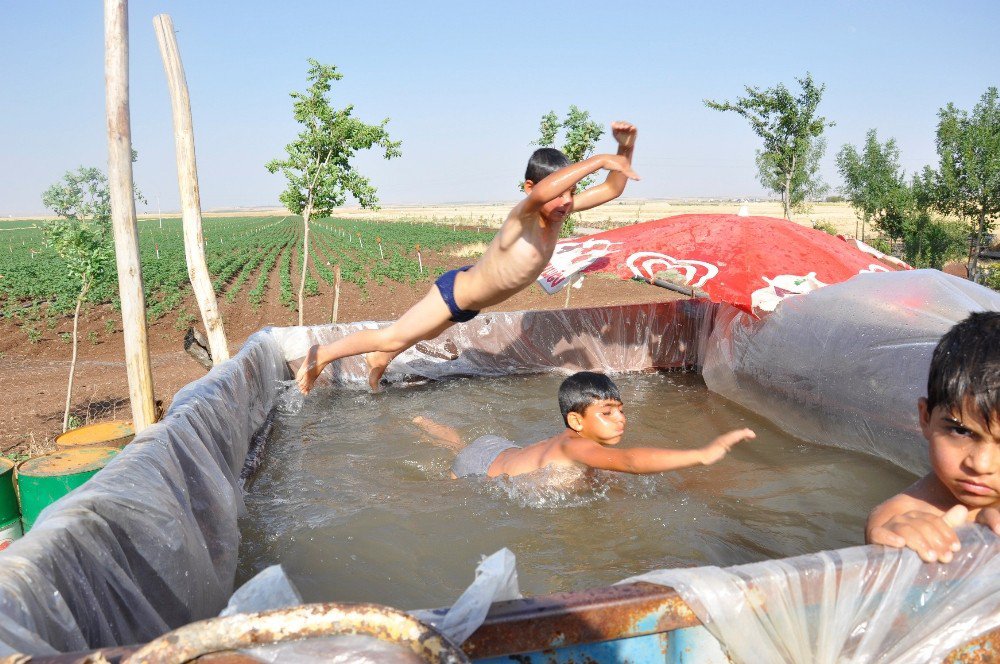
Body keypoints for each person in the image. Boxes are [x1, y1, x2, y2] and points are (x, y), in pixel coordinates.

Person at [295, 122, 641, 394]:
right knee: (393, 335)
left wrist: (623, 148)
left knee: (423, 336)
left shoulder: (559, 210)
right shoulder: (524, 214)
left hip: (470, 302)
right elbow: (552, 191)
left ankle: (380, 359)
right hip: (454, 293)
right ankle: (321, 355)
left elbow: (612, 188)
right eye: (557, 192)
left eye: (572, 193)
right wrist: (596, 160)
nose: (566, 201)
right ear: (530, 189)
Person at [412, 371, 755, 479]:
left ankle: (425, 423)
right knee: (458, 452)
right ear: (576, 420)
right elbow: (631, 461)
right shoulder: (575, 445)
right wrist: (703, 454)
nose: (620, 419)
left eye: (620, 410)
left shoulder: (572, 442)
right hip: (479, 468)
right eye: (607, 412)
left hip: (499, 448)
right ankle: (424, 424)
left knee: (457, 443)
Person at [866, 311, 1000, 563]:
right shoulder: (898, 516)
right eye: (961, 431)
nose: (980, 464)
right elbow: (887, 533)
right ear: (925, 417)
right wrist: (903, 544)